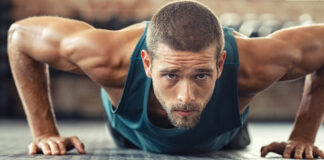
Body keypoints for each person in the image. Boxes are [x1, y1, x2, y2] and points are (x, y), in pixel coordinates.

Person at [7, 0, 324, 159]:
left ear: (221, 62)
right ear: (146, 63)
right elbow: (19, 36)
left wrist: (304, 135)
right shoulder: (109, 57)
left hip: (223, 137)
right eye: (171, 74)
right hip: (131, 134)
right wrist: (45, 131)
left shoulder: (254, 64)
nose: (186, 95)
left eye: (201, 74)